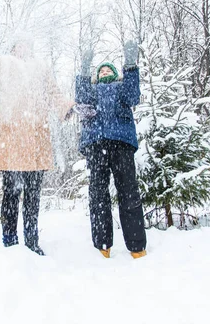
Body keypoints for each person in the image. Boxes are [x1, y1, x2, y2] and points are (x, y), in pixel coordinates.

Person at [0, 34, 94, 255]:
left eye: (27, 44)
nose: (23, 48)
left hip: (37, 143)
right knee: (10, 195)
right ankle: (9, 241)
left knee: (33, 197)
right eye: (19, 44)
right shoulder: (2, 64)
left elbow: (55, 94)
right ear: (13, 47)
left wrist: (71, 107)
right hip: (10, 143)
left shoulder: (40, 68)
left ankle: (31, 242)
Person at [75, 41, 147, 259]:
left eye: (109, 69)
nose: (105, 70)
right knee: (98, 193)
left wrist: (131, 65)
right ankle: (102, 243)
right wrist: (85, 69)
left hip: (121, 142)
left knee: (128, 191)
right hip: (96, 145)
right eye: (101, 69)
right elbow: (81, 96)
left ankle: (136, 245)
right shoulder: (93, 90)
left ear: (116, 74)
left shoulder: (122, 87)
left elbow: (133, 95)